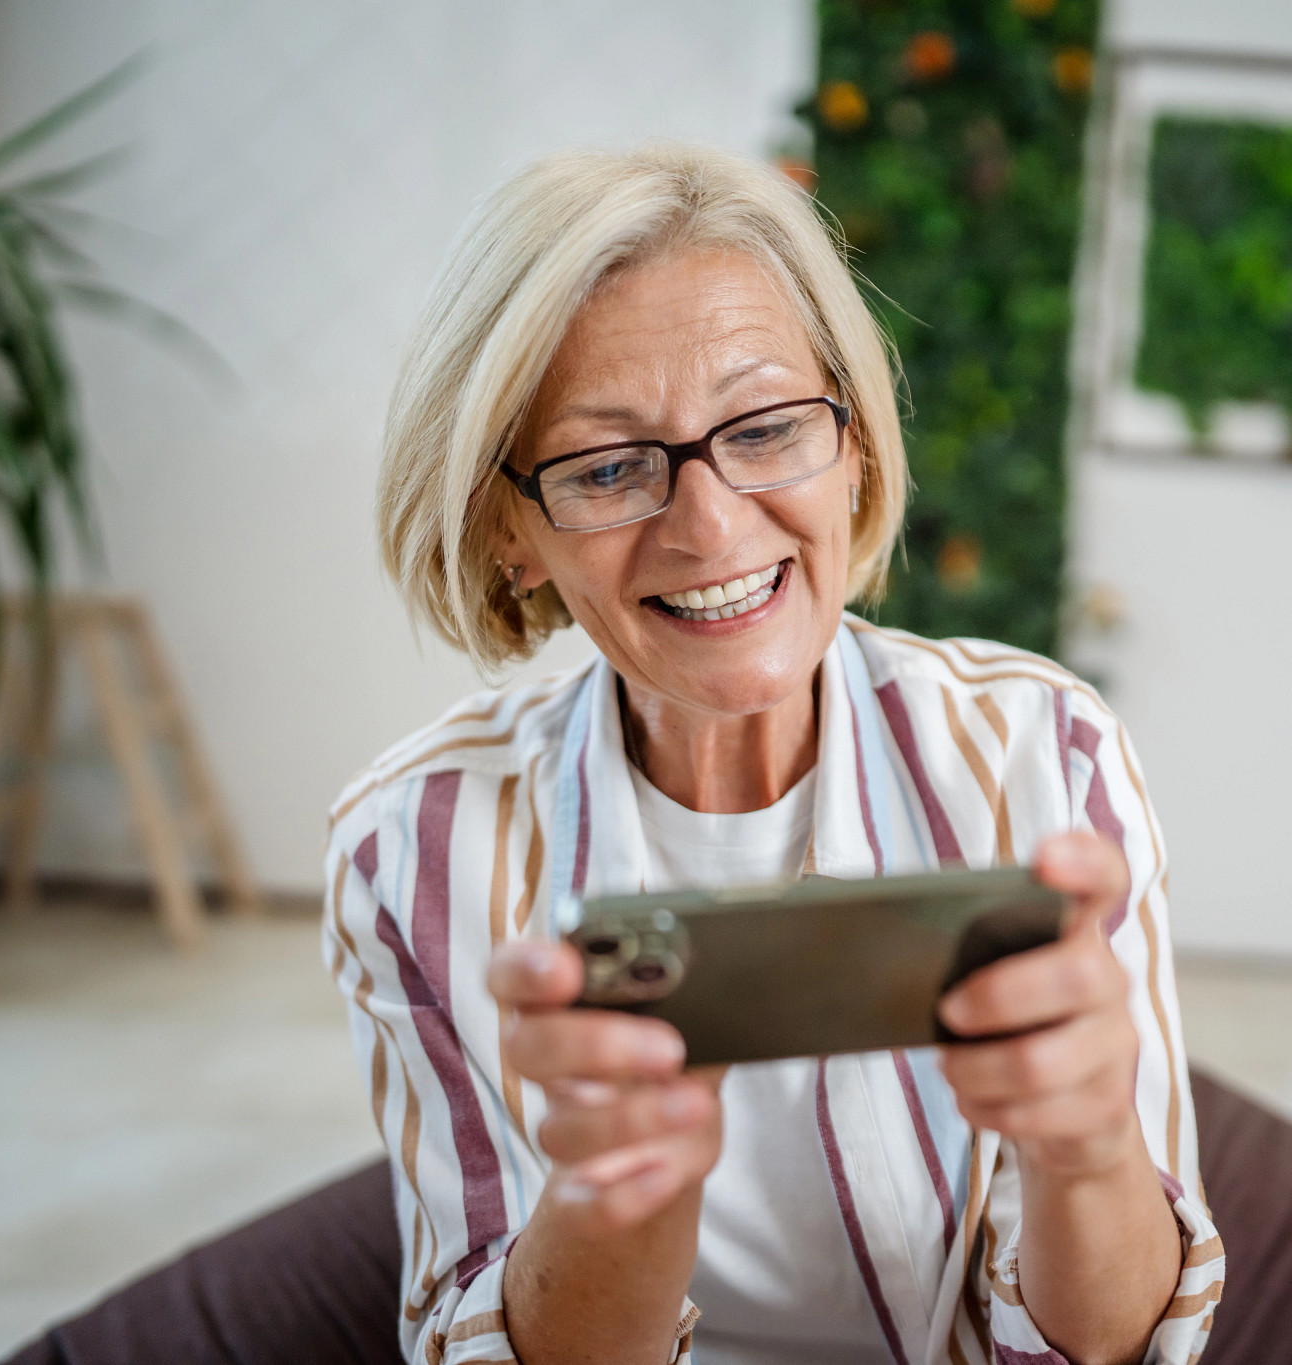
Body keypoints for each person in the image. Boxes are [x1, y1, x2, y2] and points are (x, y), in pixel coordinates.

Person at [324, 144, 1223, 1365]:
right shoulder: (411, 845)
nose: (709, 526)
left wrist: (1089, 1154)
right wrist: (611, 1200)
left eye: (764, 428)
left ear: (850, 445)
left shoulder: (1038, 754)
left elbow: (1127, 1349)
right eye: (604, 467)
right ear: (508, 535)